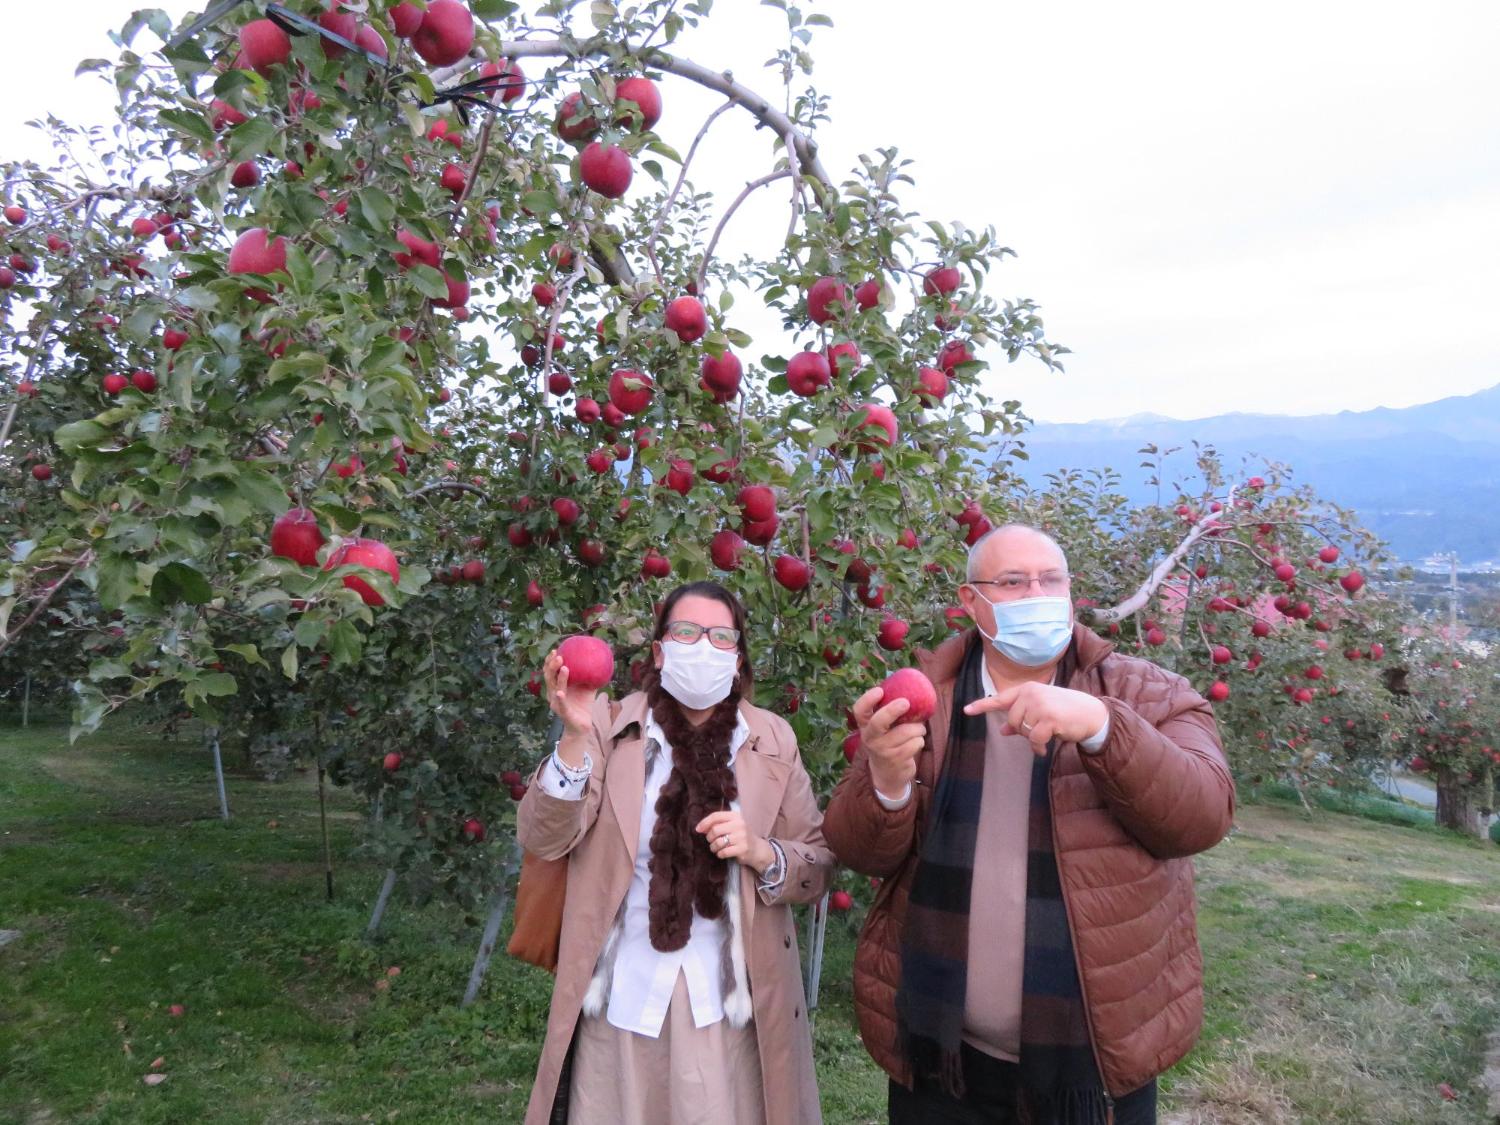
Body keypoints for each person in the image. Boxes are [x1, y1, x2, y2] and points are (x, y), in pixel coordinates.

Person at [824, 524, 1236, 1125]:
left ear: (1071, 592)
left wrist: (1102, 727)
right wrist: (885, 778)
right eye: (1013, 582)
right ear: (971, 602)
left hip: (1092, 1058)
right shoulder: (926, 702)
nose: (1036, 594)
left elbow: (1202, 817)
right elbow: (858, 849)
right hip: (942, 1056)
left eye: (1051, 580)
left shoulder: (1148, 694)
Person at [517, 580, 836, 1125]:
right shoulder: (608, 727)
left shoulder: (774, 741)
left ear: (737, 660)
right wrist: (572, 736)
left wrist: (762, 853)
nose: (702, 646)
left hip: (730, 1009)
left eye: (720, 637)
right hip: (619, 998)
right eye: (686, 632)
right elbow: (545, 838)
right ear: (661, 652)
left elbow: (817, 864)